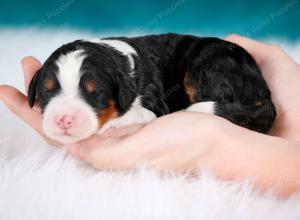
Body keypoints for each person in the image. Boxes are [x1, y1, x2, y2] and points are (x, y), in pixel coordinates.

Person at [0, 34, 299, 198]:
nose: (64, 116)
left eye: (92, 95)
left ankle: (236, 113)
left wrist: (210, 141)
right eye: (50, 92)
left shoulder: (137, 86)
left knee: (209, 59)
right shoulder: (108, 70)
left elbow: (147, 112)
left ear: (123, 93)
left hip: (215, 59)